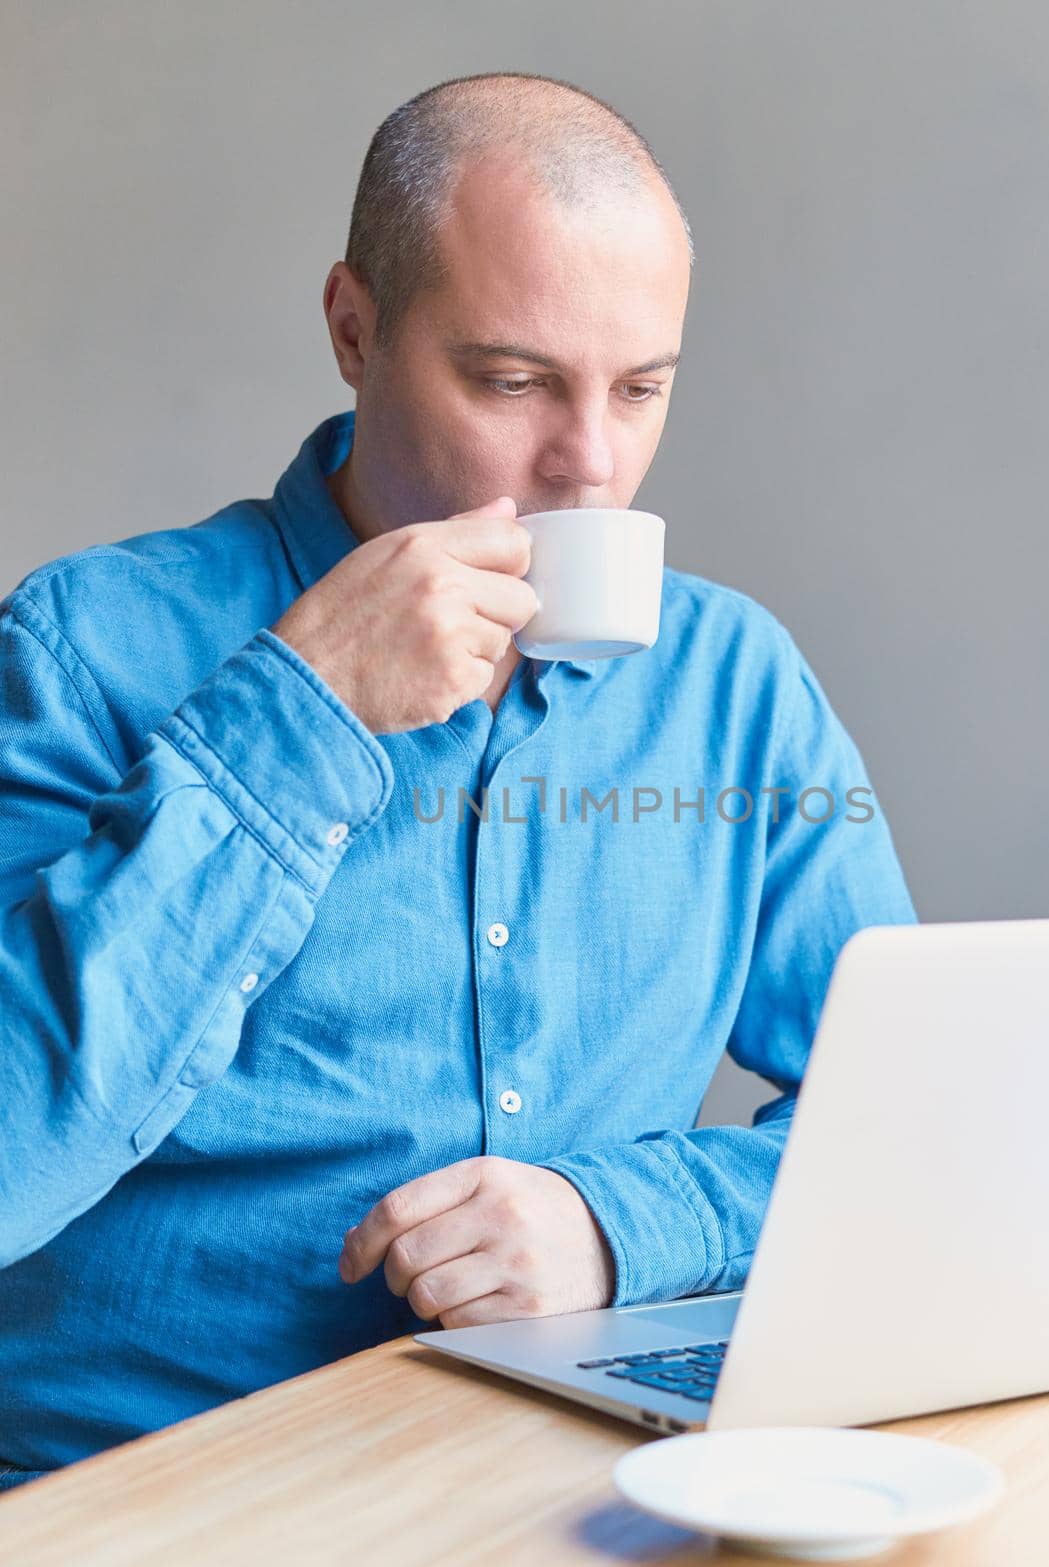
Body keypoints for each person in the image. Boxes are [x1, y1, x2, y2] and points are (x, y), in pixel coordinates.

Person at [0, 71, 917, 1487]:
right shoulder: (90, 647)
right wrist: (300, 714)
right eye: (513, 381)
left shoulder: (734, 683)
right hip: (149, 1495)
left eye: (641, 389)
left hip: (571, 1489)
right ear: (354, 330)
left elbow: (899, 1129)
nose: (589, 463)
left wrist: (615, 1223)